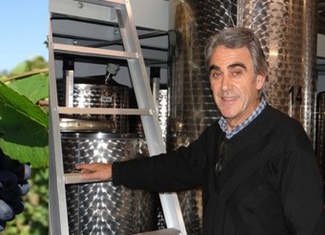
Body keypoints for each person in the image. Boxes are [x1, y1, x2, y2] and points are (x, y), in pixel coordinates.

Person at [77, 27, 325, 234]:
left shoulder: (286, 139)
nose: (225, 86)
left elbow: (310, 227)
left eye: (236, 72)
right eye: (217, 74)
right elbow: (174, 168)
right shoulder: (216, 136)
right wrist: (114, 171)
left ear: (259, 79)